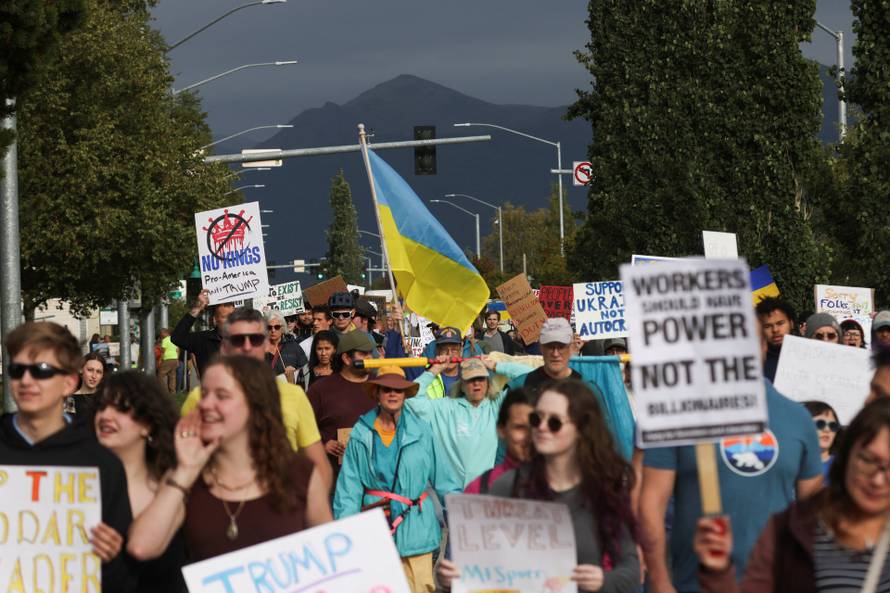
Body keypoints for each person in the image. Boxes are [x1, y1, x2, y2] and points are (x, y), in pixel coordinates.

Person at [439, 380, 641, 592]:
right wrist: (454, 578)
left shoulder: (603, 490)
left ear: (580, 429)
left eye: (554, 422)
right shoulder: (508, 485)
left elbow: (632, 567)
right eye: (536, 419)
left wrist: (603, 581)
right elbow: (479, 568)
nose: (541, 428)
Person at [128, 356, 332, 563]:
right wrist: (185, 470)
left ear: (255, 405)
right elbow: (141, 547)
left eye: (222, 396)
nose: (205, 404)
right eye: (204, 394)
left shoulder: (301, 474)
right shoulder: (185, 476)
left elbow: (330, 560)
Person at [640, 377, 823, 593]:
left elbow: (814, 514)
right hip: (690, 583)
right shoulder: (676, 412)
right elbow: (651, 502)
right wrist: (660, 581)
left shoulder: (797, 418)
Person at [694, 398, 890, 593]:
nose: (878, 480)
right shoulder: (789, 528)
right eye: (868, 460)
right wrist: (719, 575)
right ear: (847, 456)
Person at [0, 322, 134, 593]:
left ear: (69, 382)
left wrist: (113, 557)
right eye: (17, 370)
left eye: (42, 370)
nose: (26, 380)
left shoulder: (102, 464)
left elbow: (125, 580)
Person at [180, 307, 330, 484]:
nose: (247, 347)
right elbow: (183, 465)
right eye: (237, 340)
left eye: (255, 339)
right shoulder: (201, 399)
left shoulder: (295, 397)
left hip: (281, 496)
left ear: (266, 344)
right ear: (224, 346)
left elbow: (321, 469)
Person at [334, 366, 443, 593]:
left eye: (398, 389)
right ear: (377, 393)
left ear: (405, 395)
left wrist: (462, 513)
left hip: (416, 526)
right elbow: (349, 487)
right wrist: (346, 532)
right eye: (386, 389)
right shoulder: (361, 432)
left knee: (420, 588)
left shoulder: (422, 431)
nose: (393, 394)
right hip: (375, 528)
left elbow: (443, 477)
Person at [94, 371, 186, 593]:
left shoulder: (174, 485)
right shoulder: (76, 485)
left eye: (121, 409)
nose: (106, 415)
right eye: (101, 407)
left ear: (147, 425)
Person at [408, 358, 508, 491]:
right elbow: (410, 398)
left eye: (481, 379)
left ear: (488, 383)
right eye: (471, 379)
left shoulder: (496, 406)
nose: (476, 383)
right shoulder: (444, 407)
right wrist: (434, 370)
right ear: (462, 384)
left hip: (484, 493)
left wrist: (497, 366)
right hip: (449, 494)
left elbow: (529, 378)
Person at [307, 330, 376, 472]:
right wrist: (322, 445)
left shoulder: (382, 387)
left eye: (370, 353)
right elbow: (301, 429)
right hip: (334, 479)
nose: (370, 358)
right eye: (363, 354)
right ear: (346, 359)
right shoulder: (320, 390)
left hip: (375, 479)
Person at [464, 388, 533, 494]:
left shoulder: (557, 484)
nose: (529, 436)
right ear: (501, 430)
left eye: (535, 425)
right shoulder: (478, 490)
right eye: (520, 427)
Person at [509, 318, 583, 395]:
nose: (555, 354)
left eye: (561, 347)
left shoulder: (585, 387)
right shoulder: (520, 385)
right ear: (541, 348)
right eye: (550, 347)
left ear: (570, 348)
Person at [170, 289, 235, 377]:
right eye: (225, 317)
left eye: (232, 316)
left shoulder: (245, 340)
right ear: (215, 319)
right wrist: (198, 307)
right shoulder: (203, 339)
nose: (230, 320)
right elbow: (177, 337)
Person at [415, 328, 464, 399]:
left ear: (461, 351)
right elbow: (413, 399)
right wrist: (433, 371)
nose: (449, 354)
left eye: (454, 350)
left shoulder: (469, 373)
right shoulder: (425, 372)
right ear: (437, 351)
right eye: (444, 349)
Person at [755, 297, 796, 382]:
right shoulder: (756, 363)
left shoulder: (809, 355)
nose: (775, 330)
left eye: (780, 323)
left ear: (791, 323)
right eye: (767, 326)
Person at [266, 309, 308, 384]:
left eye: (277, 327)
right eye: (269, 327)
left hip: (288, 389)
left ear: (282, 328)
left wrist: (292, 379)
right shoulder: (258, 349)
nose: (273, 330)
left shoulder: (294, 347)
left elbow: (305, 374)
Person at [803, 400, 840, 480]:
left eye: (833, 426)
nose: (827, 430)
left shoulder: (843, 466)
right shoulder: (789, 464)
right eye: (820, 424)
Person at [65, 350, 106, 418]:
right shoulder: (70, 400)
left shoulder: (107, 399)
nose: (94, 376)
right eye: (90, 370)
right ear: (81, 370)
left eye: (99, 372)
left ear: (102, 375)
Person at [157, 328, 180, 394]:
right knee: (172, 376)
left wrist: (160, 360)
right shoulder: (174, 339)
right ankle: (172, 391)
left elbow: (163, 351)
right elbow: (178, 350)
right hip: (174, 359)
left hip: (168, 359)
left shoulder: (165, 340)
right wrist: (177, 359)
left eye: (161, 333)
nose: (161, 335)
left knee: (160, 375)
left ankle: (164, 391)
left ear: (164, 333)